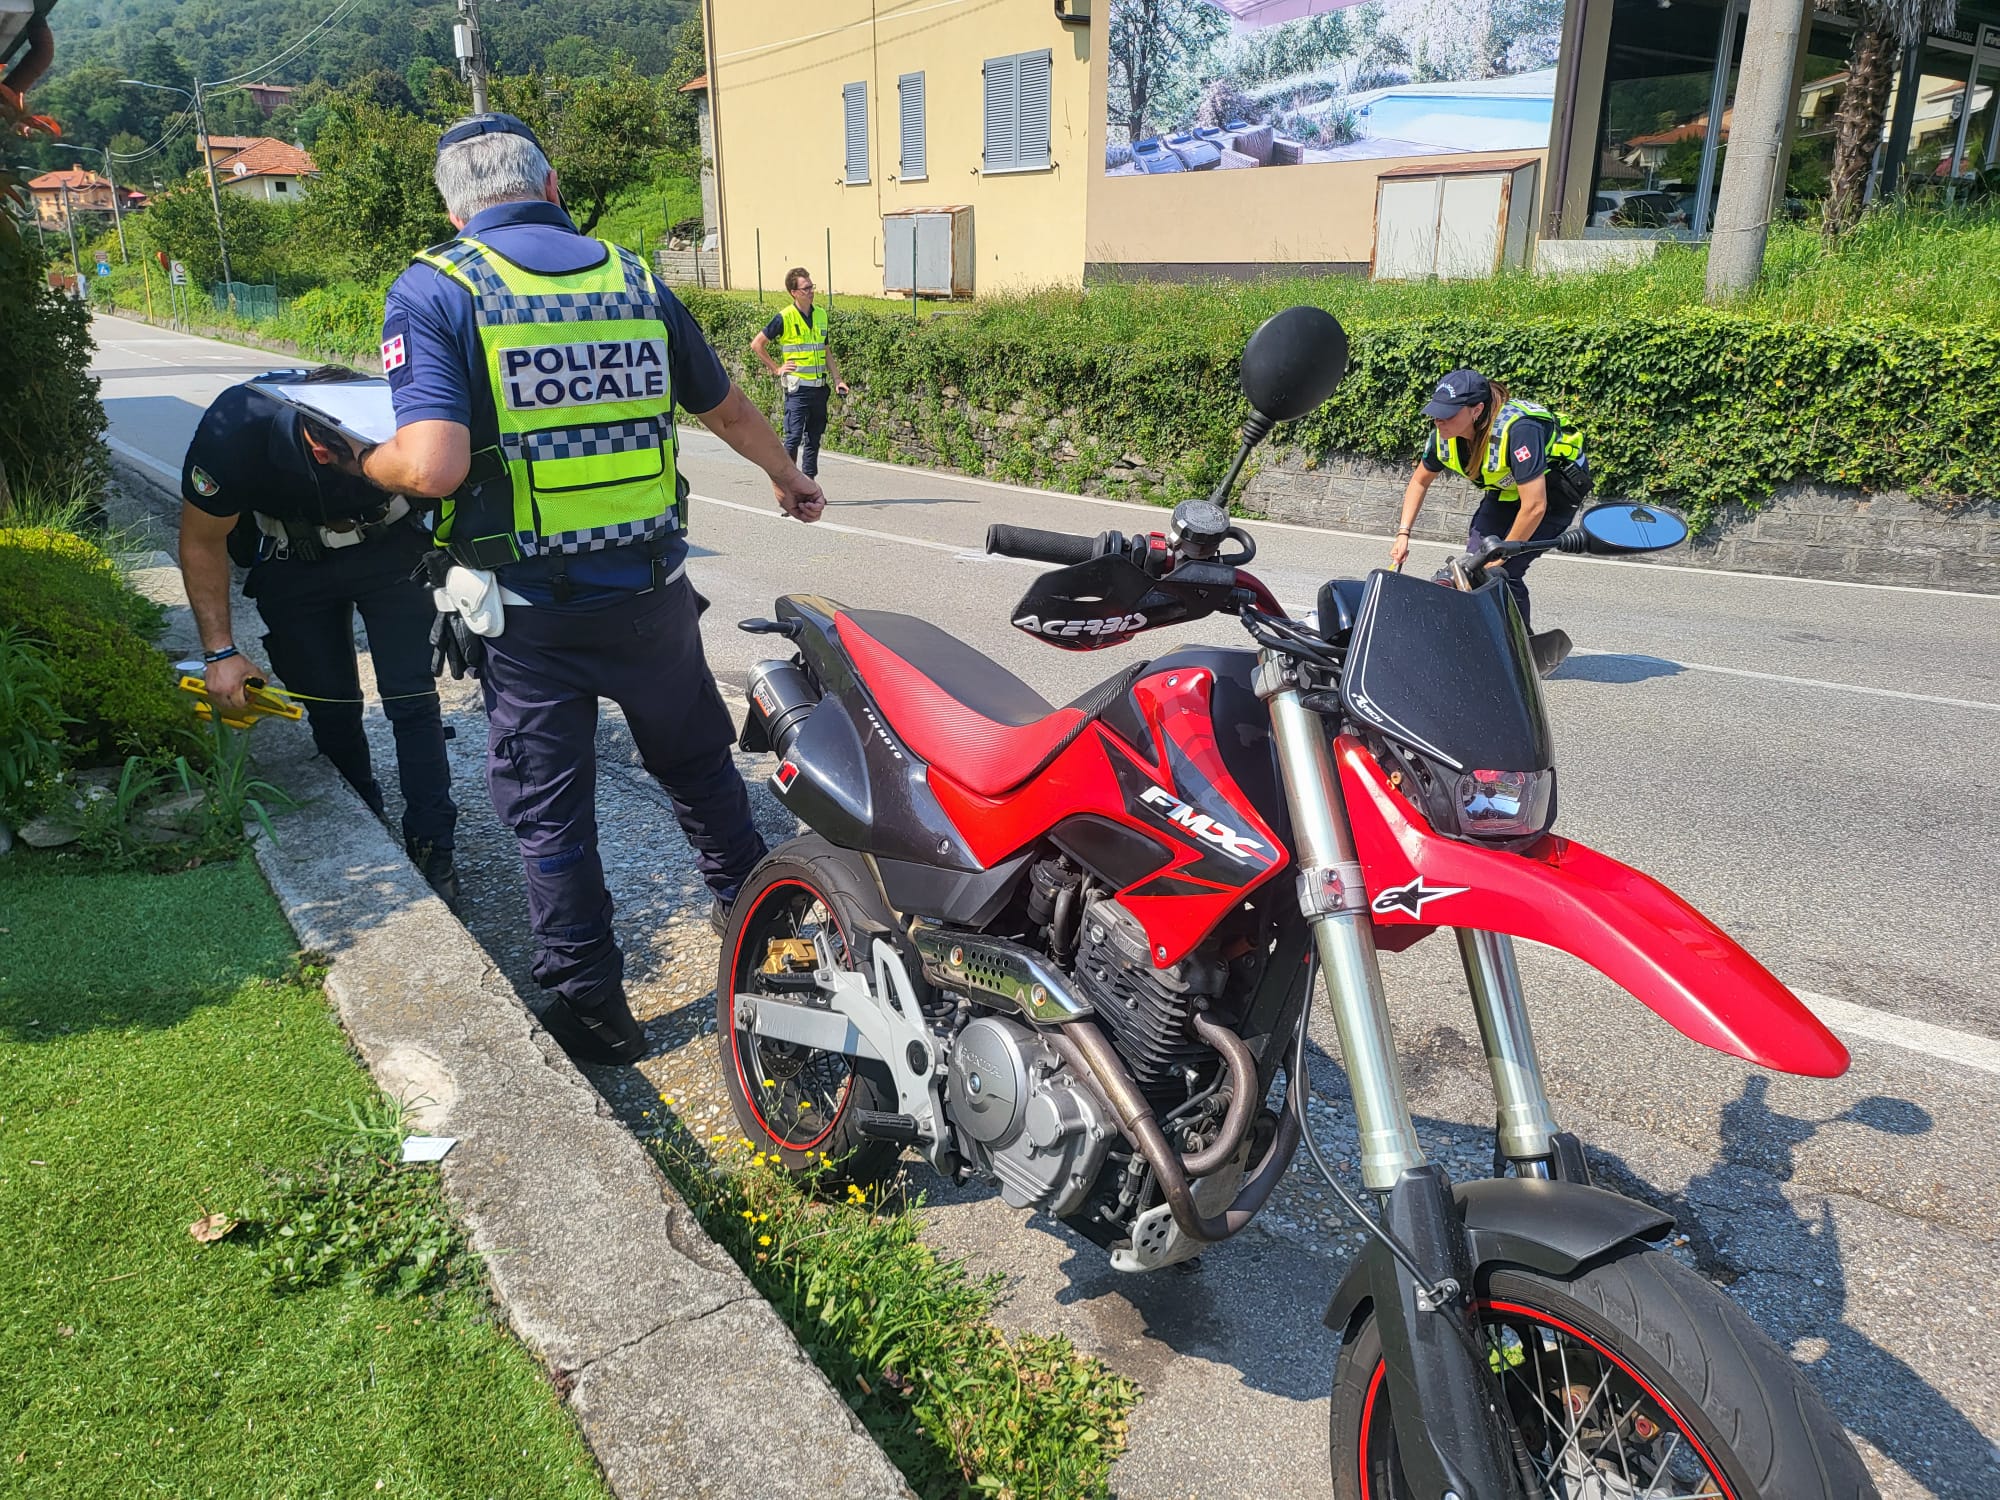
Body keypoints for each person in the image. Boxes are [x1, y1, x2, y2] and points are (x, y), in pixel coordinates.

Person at [345, 113, 825, 1067]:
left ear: (453, 205)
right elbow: (724, 405)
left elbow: (433, 465)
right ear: (552, 183)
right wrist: (786, 474)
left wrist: (370, 463)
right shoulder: (637, 278)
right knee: (701, 777)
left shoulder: (436, 289)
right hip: (652, 597)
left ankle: (595, 1007)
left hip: (529, 619)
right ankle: (772, 955)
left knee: (551, 812)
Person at [177, 367, 461, 905]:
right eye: (367, 456)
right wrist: (221, 651)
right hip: (292, 559)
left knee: (413, 699)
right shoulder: (234, 427)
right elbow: (200, 540)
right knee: (331, 706)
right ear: (320, 444)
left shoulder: (398, 403)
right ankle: (363, 816)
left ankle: (434, 845)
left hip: (391, 547)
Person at [1389, 369, 1591, 628]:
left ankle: (1523, 650)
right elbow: (1419, 481)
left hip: (1553, 494)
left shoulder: (1519, 429)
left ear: (1476, 410)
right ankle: (1481, 639)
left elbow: (1534, 505)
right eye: (1436, 412)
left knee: (1502, 572)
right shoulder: (1443, 437)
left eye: (1448, 413)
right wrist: (1403, 534)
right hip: (1508, 492)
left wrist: (1502, 554)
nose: (1439, 420)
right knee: (1473, 568)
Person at [750, 267, 850, 479]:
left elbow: (826, 349)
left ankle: (809, 483)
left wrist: (837, 379)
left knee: (814, 438)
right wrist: (776, 368)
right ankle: (787, 484)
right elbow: (757, 344)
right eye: (806, 288)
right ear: (794, 292)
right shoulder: (784, 317)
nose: (811, 291)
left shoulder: (821, 314)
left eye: (812, 286)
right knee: (793, 438)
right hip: (797, 389)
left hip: (819, 388)